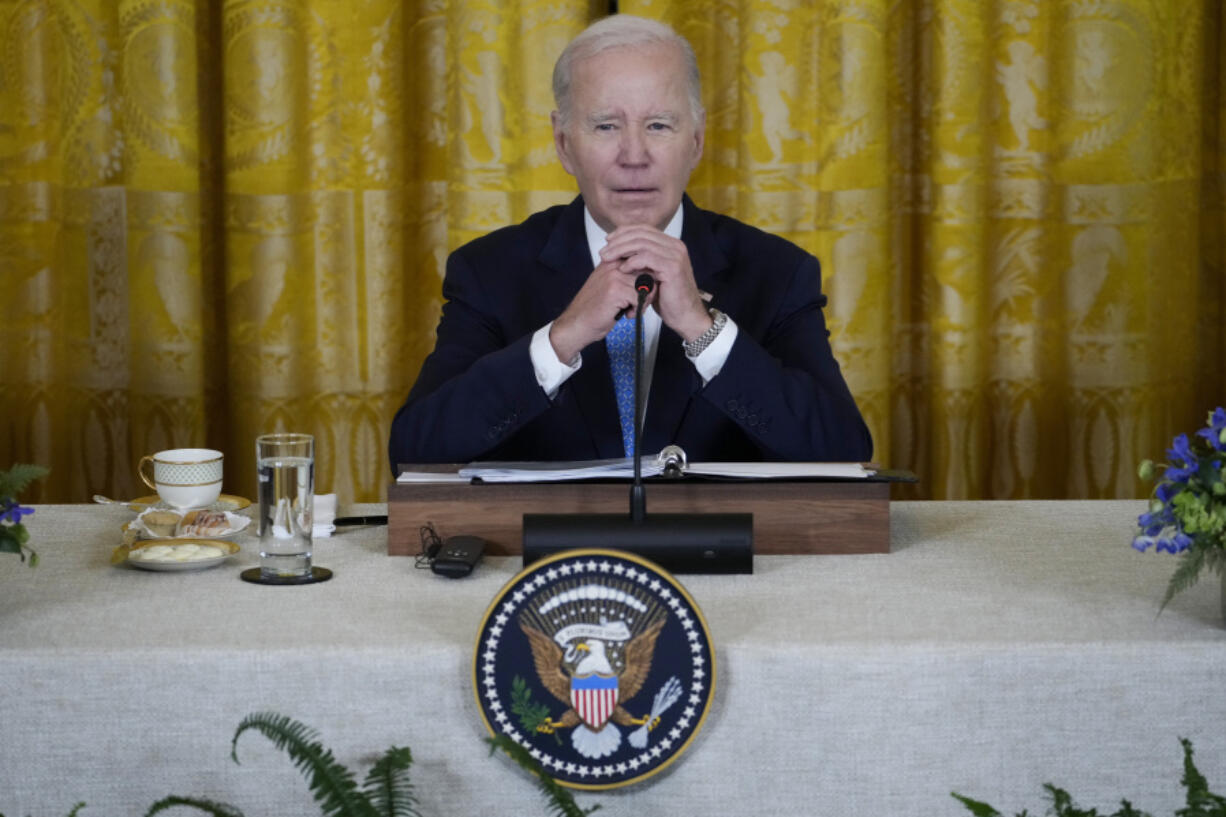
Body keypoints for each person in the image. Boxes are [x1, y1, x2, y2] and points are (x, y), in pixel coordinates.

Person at [388, 15, 871, 470]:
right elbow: (415, 453)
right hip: (552, 555)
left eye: (659, 125)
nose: (634, 156)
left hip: (719, 556)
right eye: (606, 126)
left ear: (697, 140)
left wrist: (703, 331)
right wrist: (562, 339)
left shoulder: (778, 272)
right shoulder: (489, 270)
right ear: (563, 143)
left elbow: (843, 452)